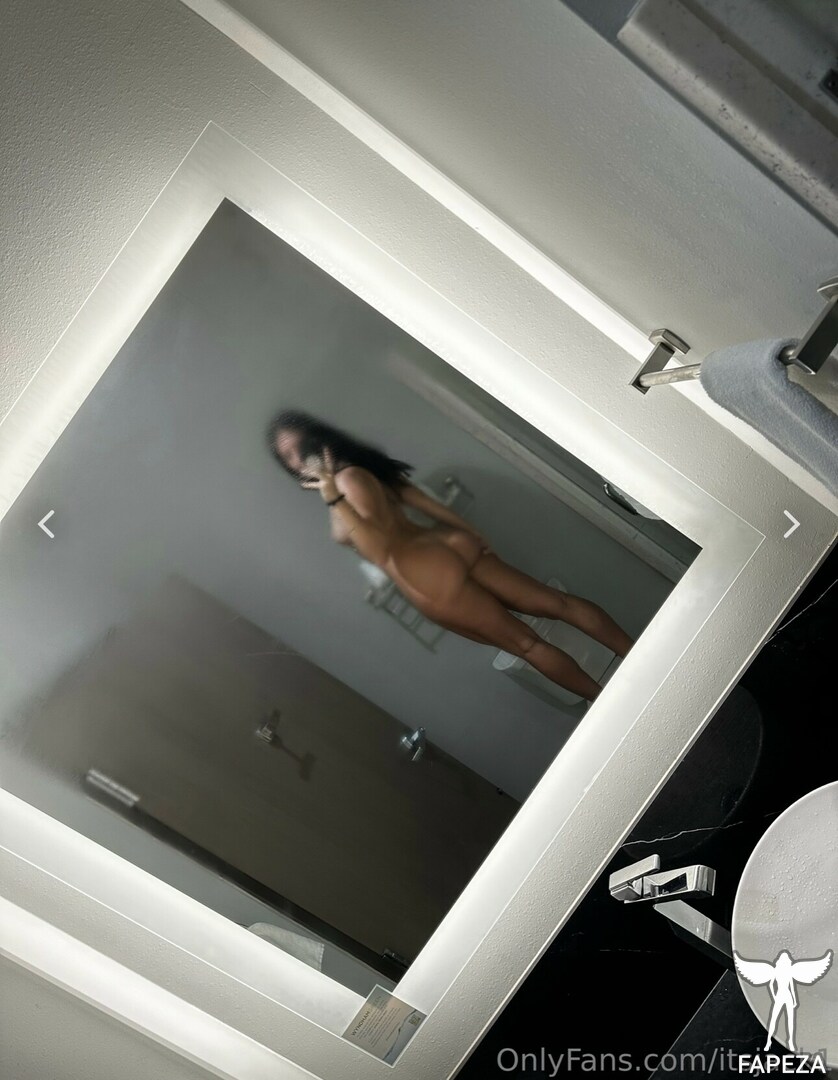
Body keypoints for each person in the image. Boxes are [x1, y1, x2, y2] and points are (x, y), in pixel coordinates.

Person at [267, 409, 633, 702]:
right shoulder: (359, 468)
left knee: (526, 644)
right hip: (444, 544)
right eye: (286, 456)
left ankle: (609, 703)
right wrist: (468, 532)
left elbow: (379, 550)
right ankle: (632, 654)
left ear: (317, 441)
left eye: (299, 448)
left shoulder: (343, 484)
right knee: (558, 604)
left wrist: (333, 498)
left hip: (426, 575)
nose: (296, 460)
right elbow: (416, 498)